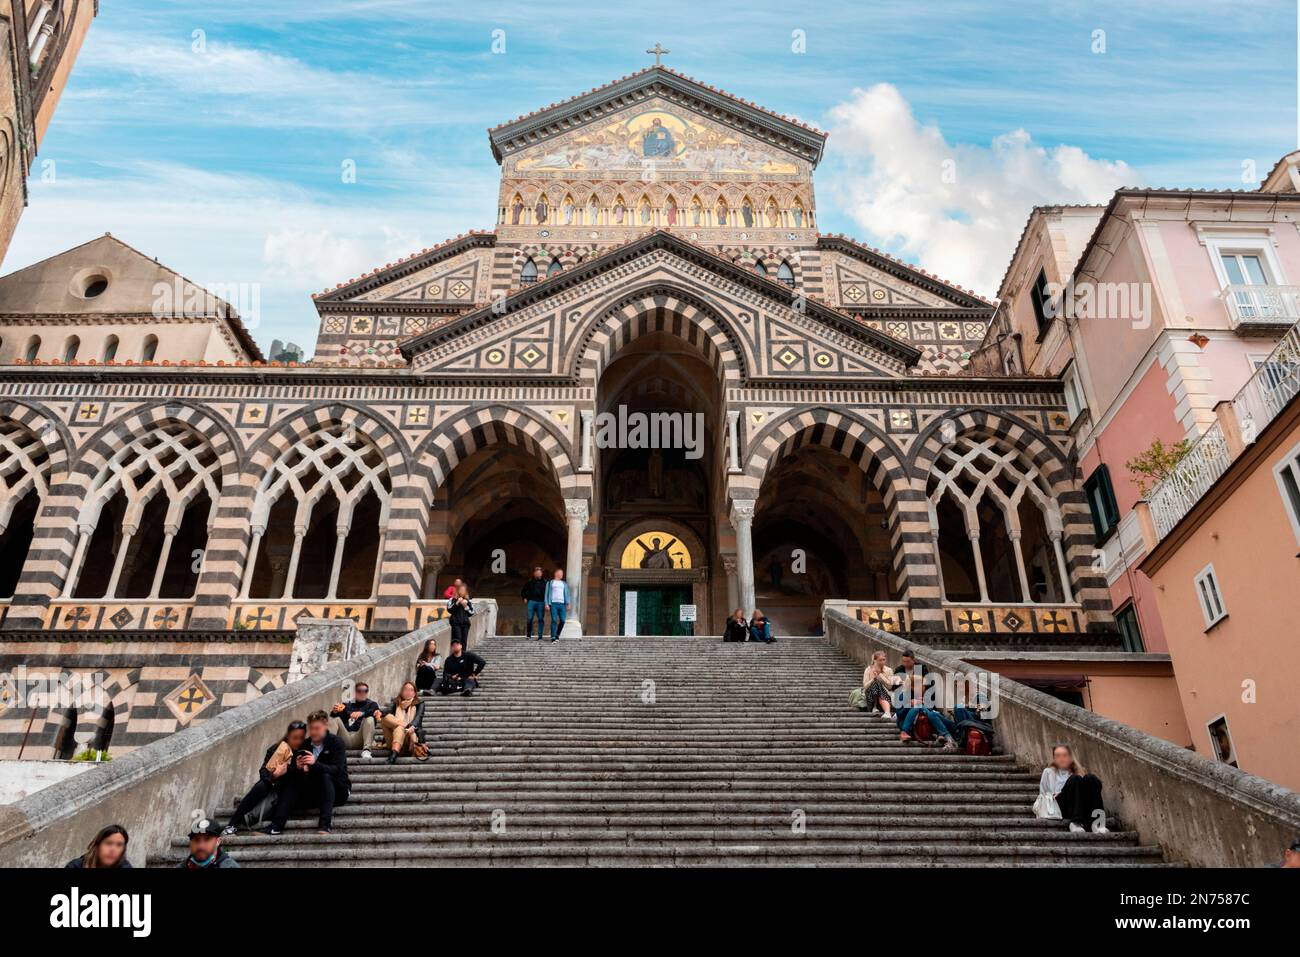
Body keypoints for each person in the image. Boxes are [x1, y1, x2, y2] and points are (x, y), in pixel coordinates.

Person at [268, 710, 350, 836]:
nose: (313, 732)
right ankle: (275, 826)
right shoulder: (305, 744)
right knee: (293, 780)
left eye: (317, 728)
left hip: (339, 790)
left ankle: (325, 826)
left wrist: (314, 764)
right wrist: (299, 768)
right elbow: (296, 771)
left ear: (325, 726)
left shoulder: (336, 742)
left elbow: (338, 771)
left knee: (326, 776)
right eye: (311, 728)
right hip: (315, 791)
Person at [223, 719, 308, 834]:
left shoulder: (305, 752)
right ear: (288, 736)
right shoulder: (277, 749)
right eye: (295, 737)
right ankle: (232, 824)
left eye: (301, 738)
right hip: (274, 786)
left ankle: (272, 824)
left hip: (291, 792)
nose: (298, 741)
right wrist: (274, 775)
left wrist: (292, 768)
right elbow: (263, 771)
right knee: (261, 786)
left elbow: (300, 778)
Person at [1034, 744, 1108, 833]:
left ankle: (1098, 822)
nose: (1061, 759)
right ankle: (1076, 822)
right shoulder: (1048, 772)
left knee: (1091, 778)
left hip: (1079, 805)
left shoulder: (1080, 771)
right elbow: (1042, 795)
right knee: (1075, 779)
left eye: (1064, 755)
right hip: (1059, 806)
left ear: (1071, 757)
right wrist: (1052, 795)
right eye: (1057, 756)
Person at [893, 650, 956, 749]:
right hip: (904, 722)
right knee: (920, 708)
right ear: (913, 687)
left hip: (922, 723)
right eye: (922, 685)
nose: (924, 687)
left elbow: (930, 708)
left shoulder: (923, 693)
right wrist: (910, 704)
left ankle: (946, 734)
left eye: (907, 661)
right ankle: (904, 731)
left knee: (932, 713)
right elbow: (899, 714)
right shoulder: (904, 695)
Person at [379, 680, 426, 764]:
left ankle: (393, 755)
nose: (408, 692)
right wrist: (379, 712)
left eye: (411, 690)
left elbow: (418, 718)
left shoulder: (419, 704)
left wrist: (412, 726)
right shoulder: (395, 703)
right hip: (393, 739)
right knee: (386, 718)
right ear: (402, 692)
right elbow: (387, 711)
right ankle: (404, 726)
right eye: (406, 689)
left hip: (410, 739)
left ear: (415, 693)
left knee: (399, 728)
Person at [329, 682, 381, 759]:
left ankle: (366, 750)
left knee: (370, 719)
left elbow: (373, 713)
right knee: (335, 720)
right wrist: (334, 712)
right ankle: (327, 749)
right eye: (359, 691)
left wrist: (362, 713)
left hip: (360, 738)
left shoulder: (372, 704)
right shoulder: (346, 704)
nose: (362, 693)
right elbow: (339, 717)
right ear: (354, 692)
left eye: (365, 691)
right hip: (346, 736)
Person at [65, 824, 132, 869]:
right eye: (108, 843)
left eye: (119, 845)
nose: (113, 849)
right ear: (97, 846)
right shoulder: (76, 866)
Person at [861, 650, 896, 717]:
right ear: (875, 660)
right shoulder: (868, 670)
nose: (882, 662)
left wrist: (880, 675)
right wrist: (873, 679)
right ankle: (878, 708)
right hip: (871, 698)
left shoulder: (889, 670)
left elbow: (890, 687)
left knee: (878, 684)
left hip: (886, 699)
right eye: (880, 660)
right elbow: (865, 687)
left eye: (884, 660)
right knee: (875, 682)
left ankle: (885, 712)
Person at [522, 566, 548, 640]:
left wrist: (547, 603)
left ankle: (540, 636)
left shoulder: (545, 582)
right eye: (536, 572)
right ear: (534, 573)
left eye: (539, 572)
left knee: (540, 619)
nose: (538, 573)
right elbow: (523, 590)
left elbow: (548, 593)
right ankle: (528, 635)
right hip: (531, 601)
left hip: (541, 602)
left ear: (541, 573)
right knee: (530, 618)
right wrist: (524, 597)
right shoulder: (529, 582)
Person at [446, 582, 474, 648]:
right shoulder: (452, 600)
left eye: (464, 590)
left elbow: (472, 612)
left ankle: (463, 656)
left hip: (465, 623)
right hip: (456, 623)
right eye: (461, 590)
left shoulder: (468, 601)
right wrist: (457, 603)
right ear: (457, 591)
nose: (462, 592)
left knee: (464, 642)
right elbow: (449, 609)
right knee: (457, 640)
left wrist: (465, 606)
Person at [546, 568, 570, 641]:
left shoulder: (564, 584)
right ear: (556, 573)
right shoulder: (550, 583)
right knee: (554, 620)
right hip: (553, 604)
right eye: (560, 573)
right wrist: (546, 603)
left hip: (562, 604)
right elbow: (546, 594)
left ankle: (557, 634)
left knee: (562, 620)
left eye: (562, 573)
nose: (562, 574)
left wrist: (568, 603)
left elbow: (567, 594)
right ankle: (553, 636)